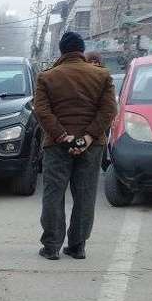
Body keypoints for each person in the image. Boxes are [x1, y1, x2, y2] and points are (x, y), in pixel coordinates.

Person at [33, 31, 116, 261]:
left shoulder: (47, 77)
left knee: (54, 194)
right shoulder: (102, 75)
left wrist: (63, 136)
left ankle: (51, 247)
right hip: (92, 145)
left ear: (61, 51)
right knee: (85, 195)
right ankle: (77, 246)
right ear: (81, 50)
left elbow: (42, 111)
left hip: (56, 145)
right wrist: (88, 137)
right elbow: (109, 110)